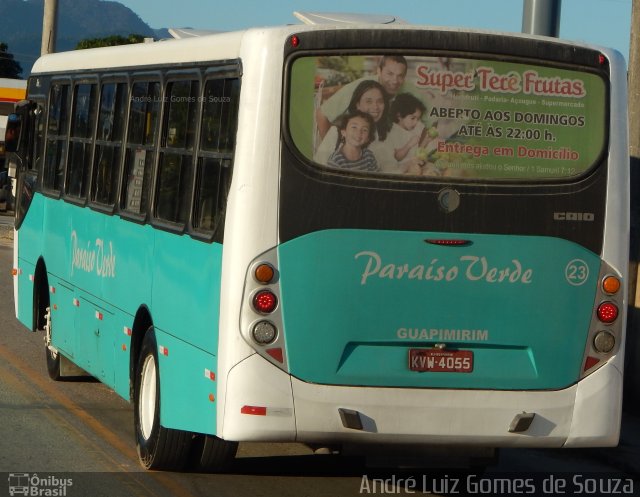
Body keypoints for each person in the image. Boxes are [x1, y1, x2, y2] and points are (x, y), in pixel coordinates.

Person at [315, 55, 408, 140]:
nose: (395, 80)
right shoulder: (362, 87)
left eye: (400, 76)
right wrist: (330, 150)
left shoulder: (402, 91)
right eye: (390, 74)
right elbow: (322, 115)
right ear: (379, 71)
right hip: (343, 138)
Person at [387, 93, 427, 162]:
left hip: (415, 162)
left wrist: (426, 140)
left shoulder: (411, 129)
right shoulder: (394, 132)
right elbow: (397, 157)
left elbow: (417, 153)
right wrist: (409, 145)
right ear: (399, 115)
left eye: (418, 119)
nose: (416, 122)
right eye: (413, 118)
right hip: (403, 167)